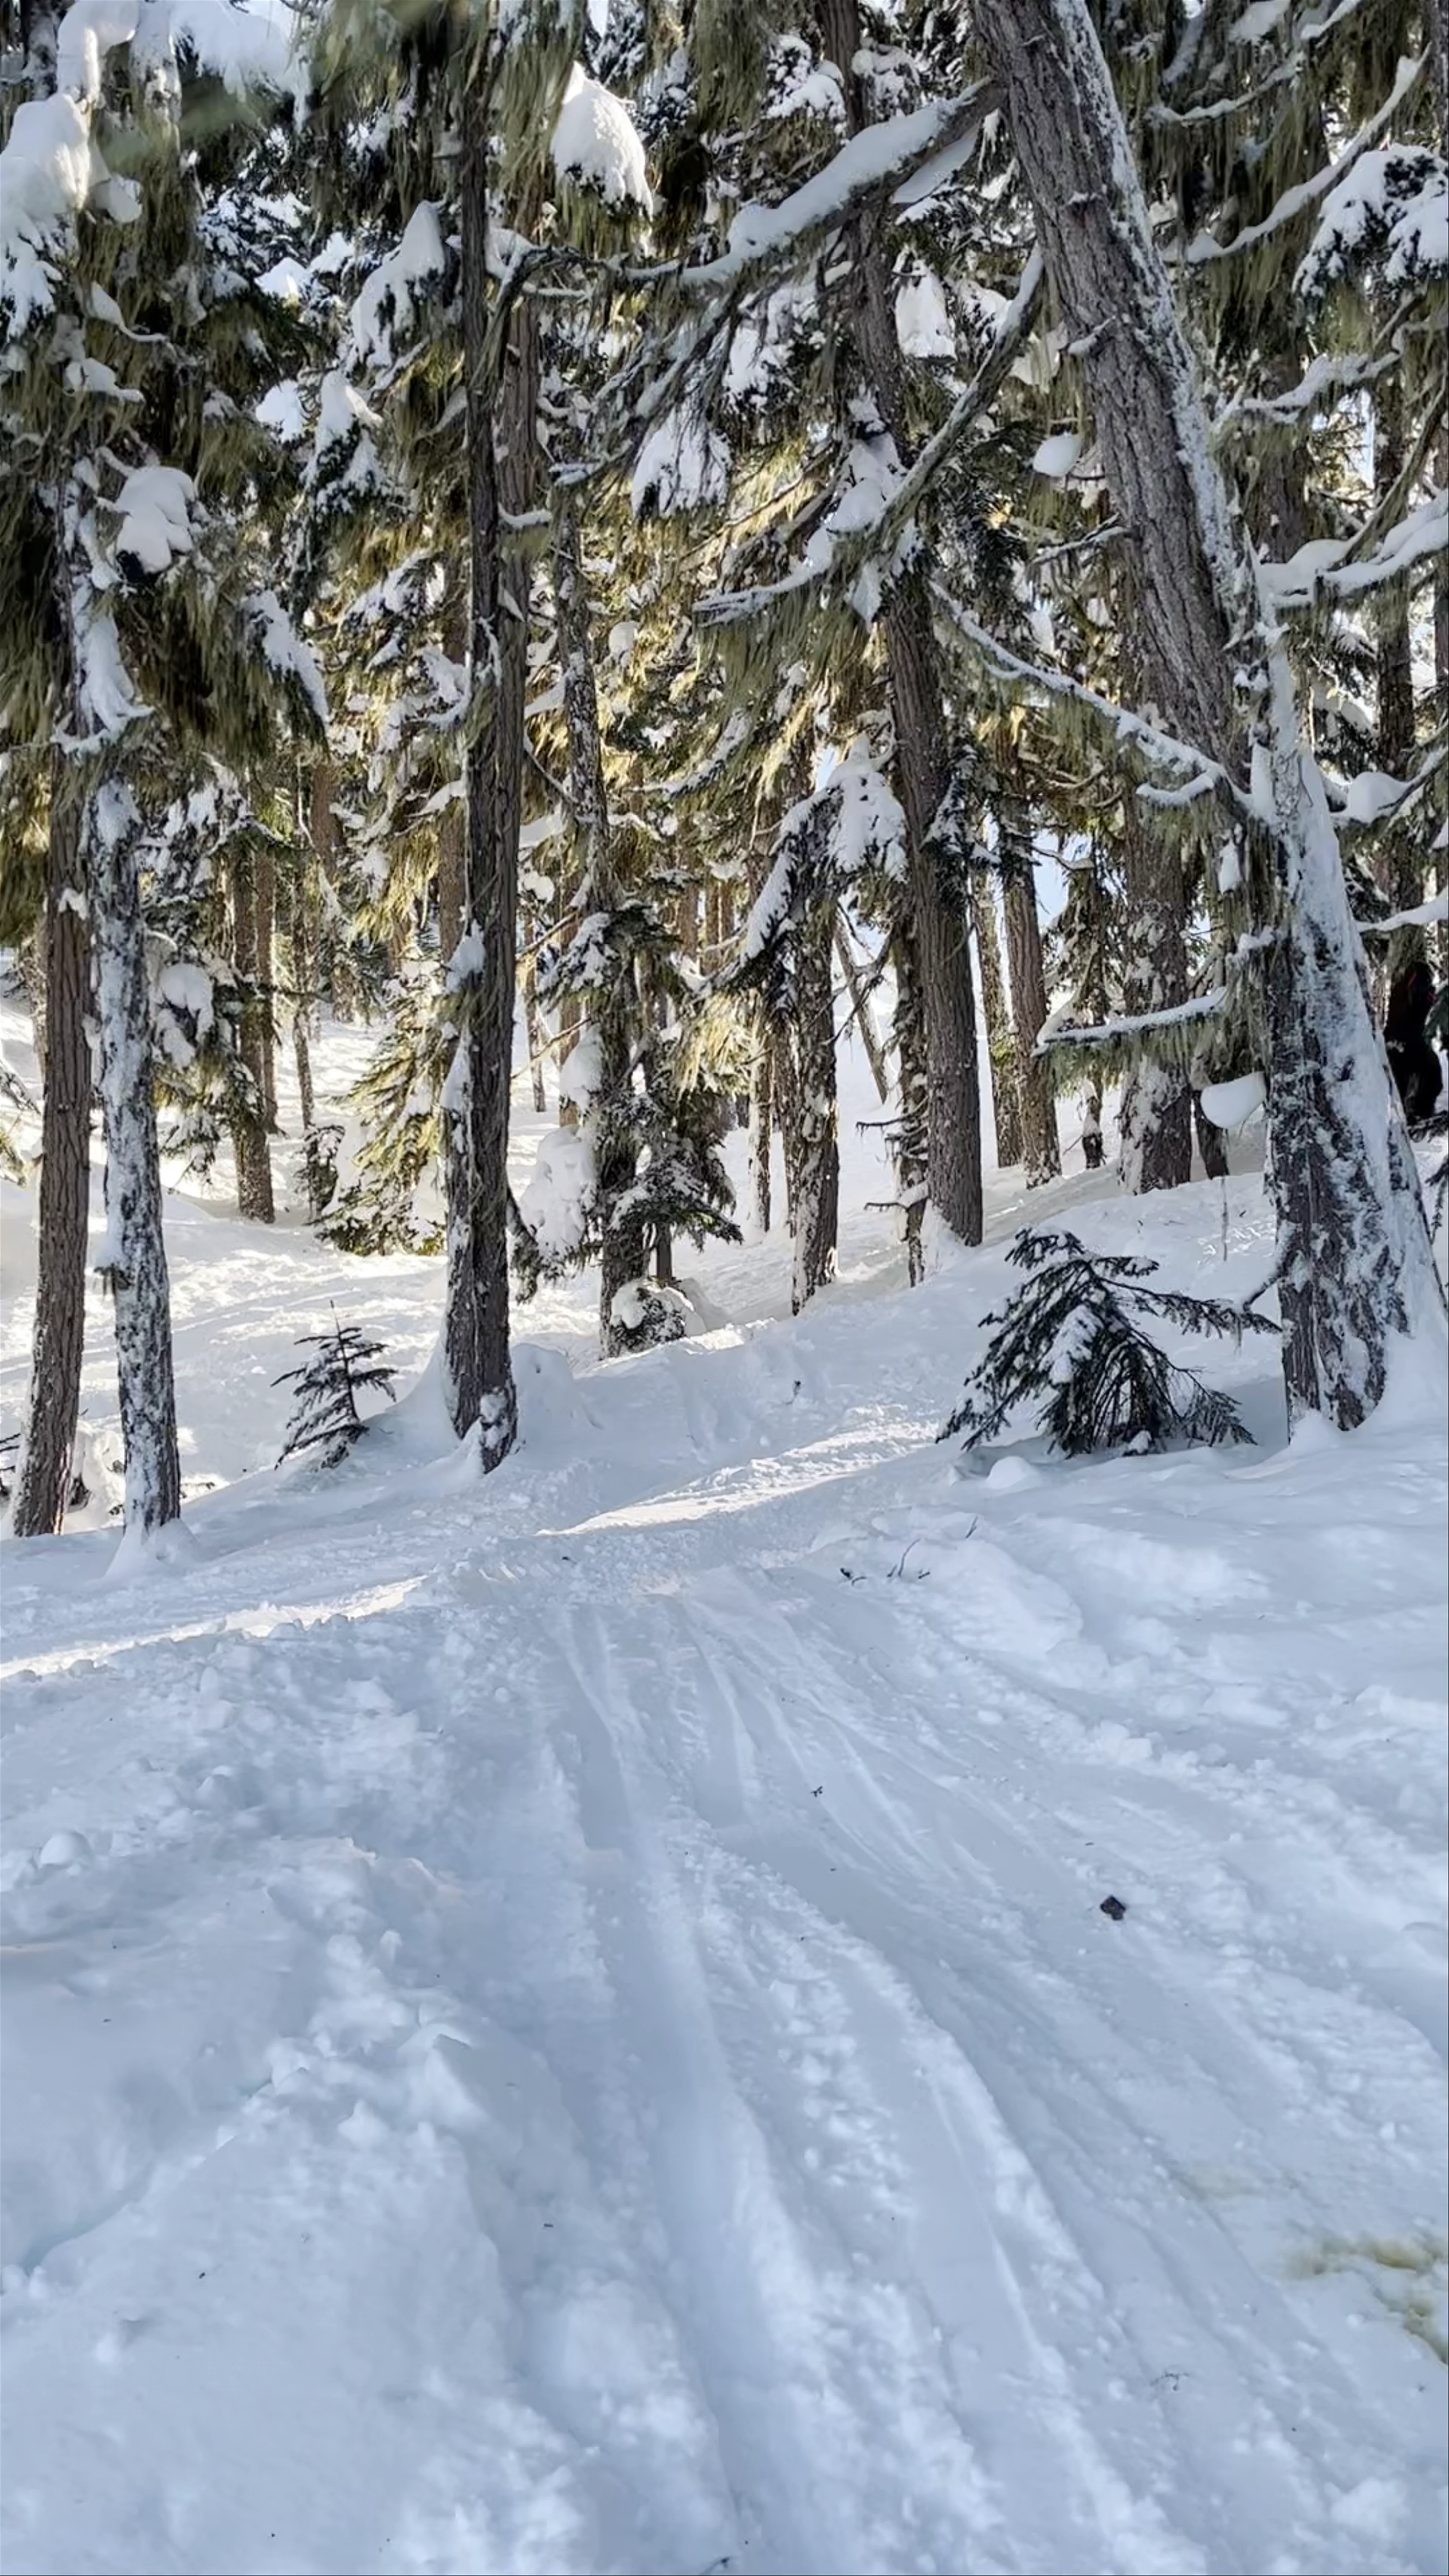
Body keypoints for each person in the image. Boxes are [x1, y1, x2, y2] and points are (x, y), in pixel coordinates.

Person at [1384, 960, 1444, 1126]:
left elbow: (1424, 1017)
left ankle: (1421, 1111)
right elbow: (1398, 1020)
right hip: (1402, 1042)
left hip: (1413, 1041)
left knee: (1431, 1073)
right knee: (1403, 1078)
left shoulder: (1420, 992)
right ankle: (1406, 1114)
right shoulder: (1404, 991)